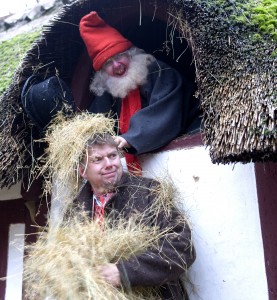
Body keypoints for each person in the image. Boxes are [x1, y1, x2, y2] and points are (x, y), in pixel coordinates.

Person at [77, 133, 196, 299]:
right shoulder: (76, 209)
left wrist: (124, 272)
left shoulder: (148, 192)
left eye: (112, 156)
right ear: (83, 171)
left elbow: (182, 246)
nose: (109, 164)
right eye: (98, 160)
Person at [79, 12, 200, 169]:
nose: (117, 65)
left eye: (120, 56)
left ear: (131, 54)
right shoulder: (109, 90)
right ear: (102, 72)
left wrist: (130, 138)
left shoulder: (158, 71)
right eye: (108, 63)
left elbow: (165, 113)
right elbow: (95, 121)